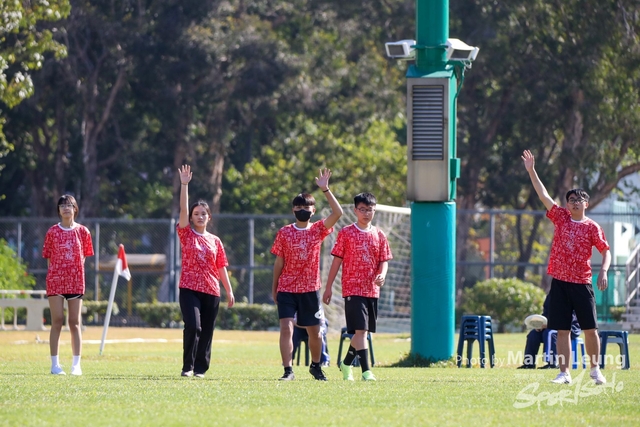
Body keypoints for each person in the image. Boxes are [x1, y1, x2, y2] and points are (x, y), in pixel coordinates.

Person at [522, 150, 611, 385]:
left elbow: (605, 251)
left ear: (586, 204)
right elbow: (543, 194)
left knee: (590, 329)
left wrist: (603, 270)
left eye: (578, 199)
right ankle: (564, 373)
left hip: (582, 283)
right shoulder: (560, 217)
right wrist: (532, 170)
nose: (574, 202)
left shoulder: (592, 227)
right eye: (571, 199)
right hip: (560, 283)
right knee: (562, 330)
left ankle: (595, 370)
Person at [271, 168, 343, 381]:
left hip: (310, 289)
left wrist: (325, 189)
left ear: (313, 210)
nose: (302, 210)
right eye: (299, 207)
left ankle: (316, 366)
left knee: (315, 332)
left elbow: (337, 213)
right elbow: (279, 262)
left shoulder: (318, 229)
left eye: (306, 207)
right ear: (293, 209)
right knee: (286, 328)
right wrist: (274, 288)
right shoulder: (284, 232)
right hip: (287, 288)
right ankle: (288, 370)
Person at [322, 192, 392, 381]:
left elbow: (384, 260)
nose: (366, 213)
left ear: (374, 210)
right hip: (352, 289)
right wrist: (328, 287)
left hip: (372, 290)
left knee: (362, 332)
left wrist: (382, 275)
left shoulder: (379, 234)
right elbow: (336, 261)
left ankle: (345, 364)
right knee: (361, 331)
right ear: (355, 211)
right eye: (362, 209)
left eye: (369, 209)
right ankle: (366, 371)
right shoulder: (346, 233)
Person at [177, 164, 235, 378]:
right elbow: (183, 210)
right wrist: (184, 185)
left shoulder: (215, 241)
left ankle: (201, 368)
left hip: (211, 290)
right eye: (196, 214)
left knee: (207, 330)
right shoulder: (186, 235)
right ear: (191, 217)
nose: (200, 216)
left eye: (203, 213)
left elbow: (221, 266)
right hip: (189, 288)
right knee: (194, 326)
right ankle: (188, 366)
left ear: (209, 217)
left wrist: (229, 290)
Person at [42, 195, 94, 375]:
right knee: (57, 320)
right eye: (62, 205)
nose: (66, 208)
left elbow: (84, 256)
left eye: (69, 205)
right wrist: (56, 274)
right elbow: (48, 257)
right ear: (58, 210)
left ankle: (76, 365)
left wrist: (74, 272)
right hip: (55, 281)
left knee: (74, 322)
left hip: (76, 281)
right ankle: (55, 365)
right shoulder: (52, 232)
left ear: (75, 209)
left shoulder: (83, 232)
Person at [517, 293, 581, 369]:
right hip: (550, 327)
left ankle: (552, 363)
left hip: (569, 328)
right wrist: (540, 325)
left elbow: (567, 318)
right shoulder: (551, 295)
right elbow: (546, 314)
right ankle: (529, 363)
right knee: (533, 334)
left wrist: (550, 324)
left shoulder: (569, 295)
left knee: (550, 333)